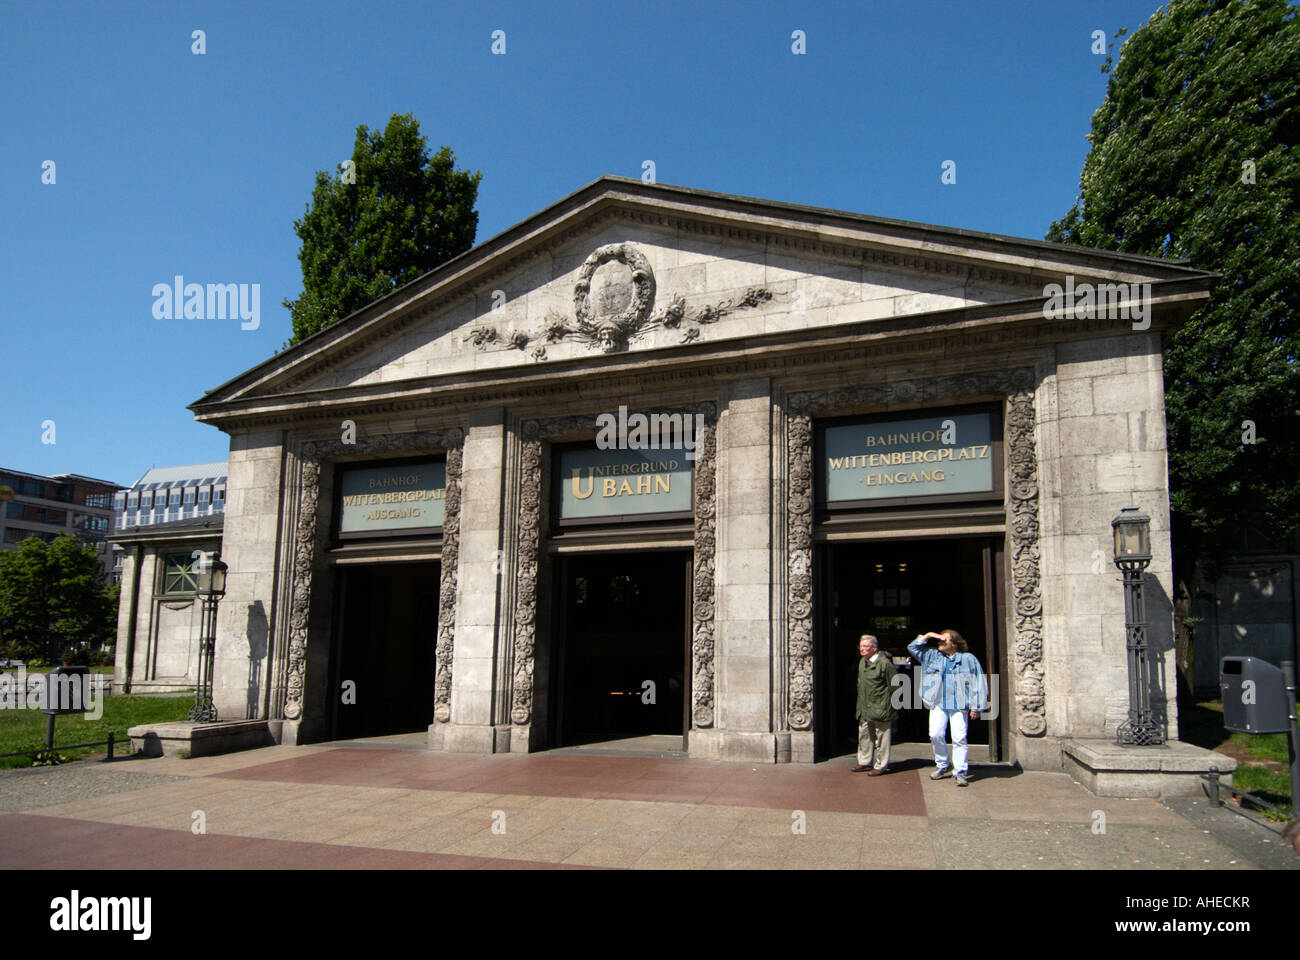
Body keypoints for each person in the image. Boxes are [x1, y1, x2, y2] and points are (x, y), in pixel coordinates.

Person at [907, 629, 988, 787]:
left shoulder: (968, 659)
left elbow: (979, 682)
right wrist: (929, 635)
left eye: (944, 641)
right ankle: (943, 764)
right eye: (939, 640)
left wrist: (977, 707)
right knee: (935, 734)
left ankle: (960, 771)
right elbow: (913, 648)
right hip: (938, 703)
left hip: (960, 704)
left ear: (954, 644)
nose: (939, 643)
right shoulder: (932, 656)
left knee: (959, 738)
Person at [852, 634, 896, 775]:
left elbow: (895, 685)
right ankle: (865, 762)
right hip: (864, 707)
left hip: (881, 707)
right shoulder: (862, 662)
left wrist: (888, 705)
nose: (862, 649)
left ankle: (881, 765)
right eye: (861, 646)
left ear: (874, 648)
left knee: (882, 738)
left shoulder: (885, 664)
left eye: (865, 646)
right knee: (864, 735)